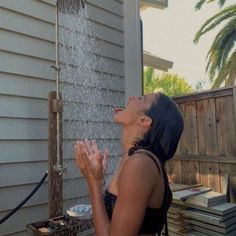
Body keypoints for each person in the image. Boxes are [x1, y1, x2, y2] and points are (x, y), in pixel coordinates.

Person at [74, 93, 184, 236]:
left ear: (144, 120)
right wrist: (99, 180)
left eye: (141, 99)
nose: (132, 97)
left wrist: (93, 183)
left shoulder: (139, 164)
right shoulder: (134, 159)